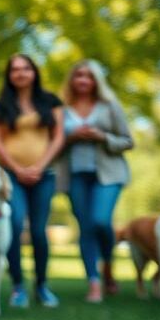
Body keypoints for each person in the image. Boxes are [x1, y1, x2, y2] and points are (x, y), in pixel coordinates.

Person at [0, 54, 65, 309]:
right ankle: (18, 286)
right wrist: (18, 169)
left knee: (38, 231)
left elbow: (58, 138)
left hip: (45, 175)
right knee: (13, 223)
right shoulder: (0, 106)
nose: (20, 73)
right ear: (9, 75)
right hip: (11, 175)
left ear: (34, 72)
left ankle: (42, 286)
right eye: (15, 70)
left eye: (25, 68)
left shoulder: (50, 102)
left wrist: (39, 166)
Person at [58, 59, 133, 303]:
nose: (82, 80)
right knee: (86, 228)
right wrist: (70, 139)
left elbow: (128, 141)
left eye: (88, 76)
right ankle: (93, 282)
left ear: (95, 81)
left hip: (108, 174)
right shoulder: (62, 109)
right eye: (78, 75)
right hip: (76, 175)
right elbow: (53, 146)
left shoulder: (109, 106)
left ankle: (108, 265)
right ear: (72, 79)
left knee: (101, 221)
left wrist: (102, 137)